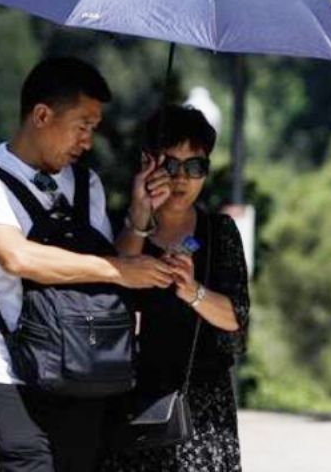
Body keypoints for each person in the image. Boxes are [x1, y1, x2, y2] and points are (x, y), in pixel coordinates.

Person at [0, 57, 177, 472]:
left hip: (81, 367)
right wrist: (118, 270)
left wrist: (141, 213)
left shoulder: (85, 182)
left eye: (94, 128)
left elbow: (110, 262)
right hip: (5, 369)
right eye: (83, 125)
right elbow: (16, 256)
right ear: (41, 115)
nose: (88, 141)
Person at [100, 104, 251, 472]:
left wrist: (192, 290)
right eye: (170, 164)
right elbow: (110, 285)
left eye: (195, 166)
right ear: (148, 162)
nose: (182, 178)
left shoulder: (219, 233)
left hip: (201, 403)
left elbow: (236, 317)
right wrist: (139, 216)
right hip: (133, 397)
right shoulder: (119, 223)